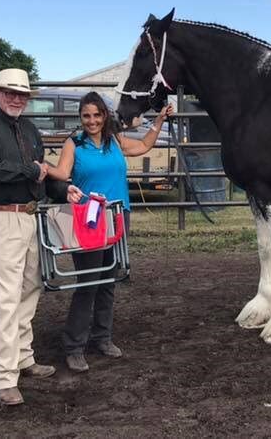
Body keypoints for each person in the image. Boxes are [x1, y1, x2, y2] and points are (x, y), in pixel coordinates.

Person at [46, 91, 174, 373]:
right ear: (80, 118)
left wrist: (159, 122)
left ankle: (102, 337)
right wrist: (40, 167)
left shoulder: (114, 140)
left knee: (109, 280)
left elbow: (143, 147)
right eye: (86, 116)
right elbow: (62, 172)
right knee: (88, 282)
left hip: (118, 216)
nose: (91, 121)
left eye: (96, 115)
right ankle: (74, 346)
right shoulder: (74, 144)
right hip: (90, 218)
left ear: (104, 116)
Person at [0, 68, 70, 407]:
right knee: (9, 296)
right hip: (1, 217)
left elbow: (41, 173)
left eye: (21, 94)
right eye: (10, 92)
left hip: (28, 215)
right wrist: (30, 170)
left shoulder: (28, 129)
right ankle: (4, 375)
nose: (16, 98)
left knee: (31, 286)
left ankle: (22, 357)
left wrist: (62, 189)